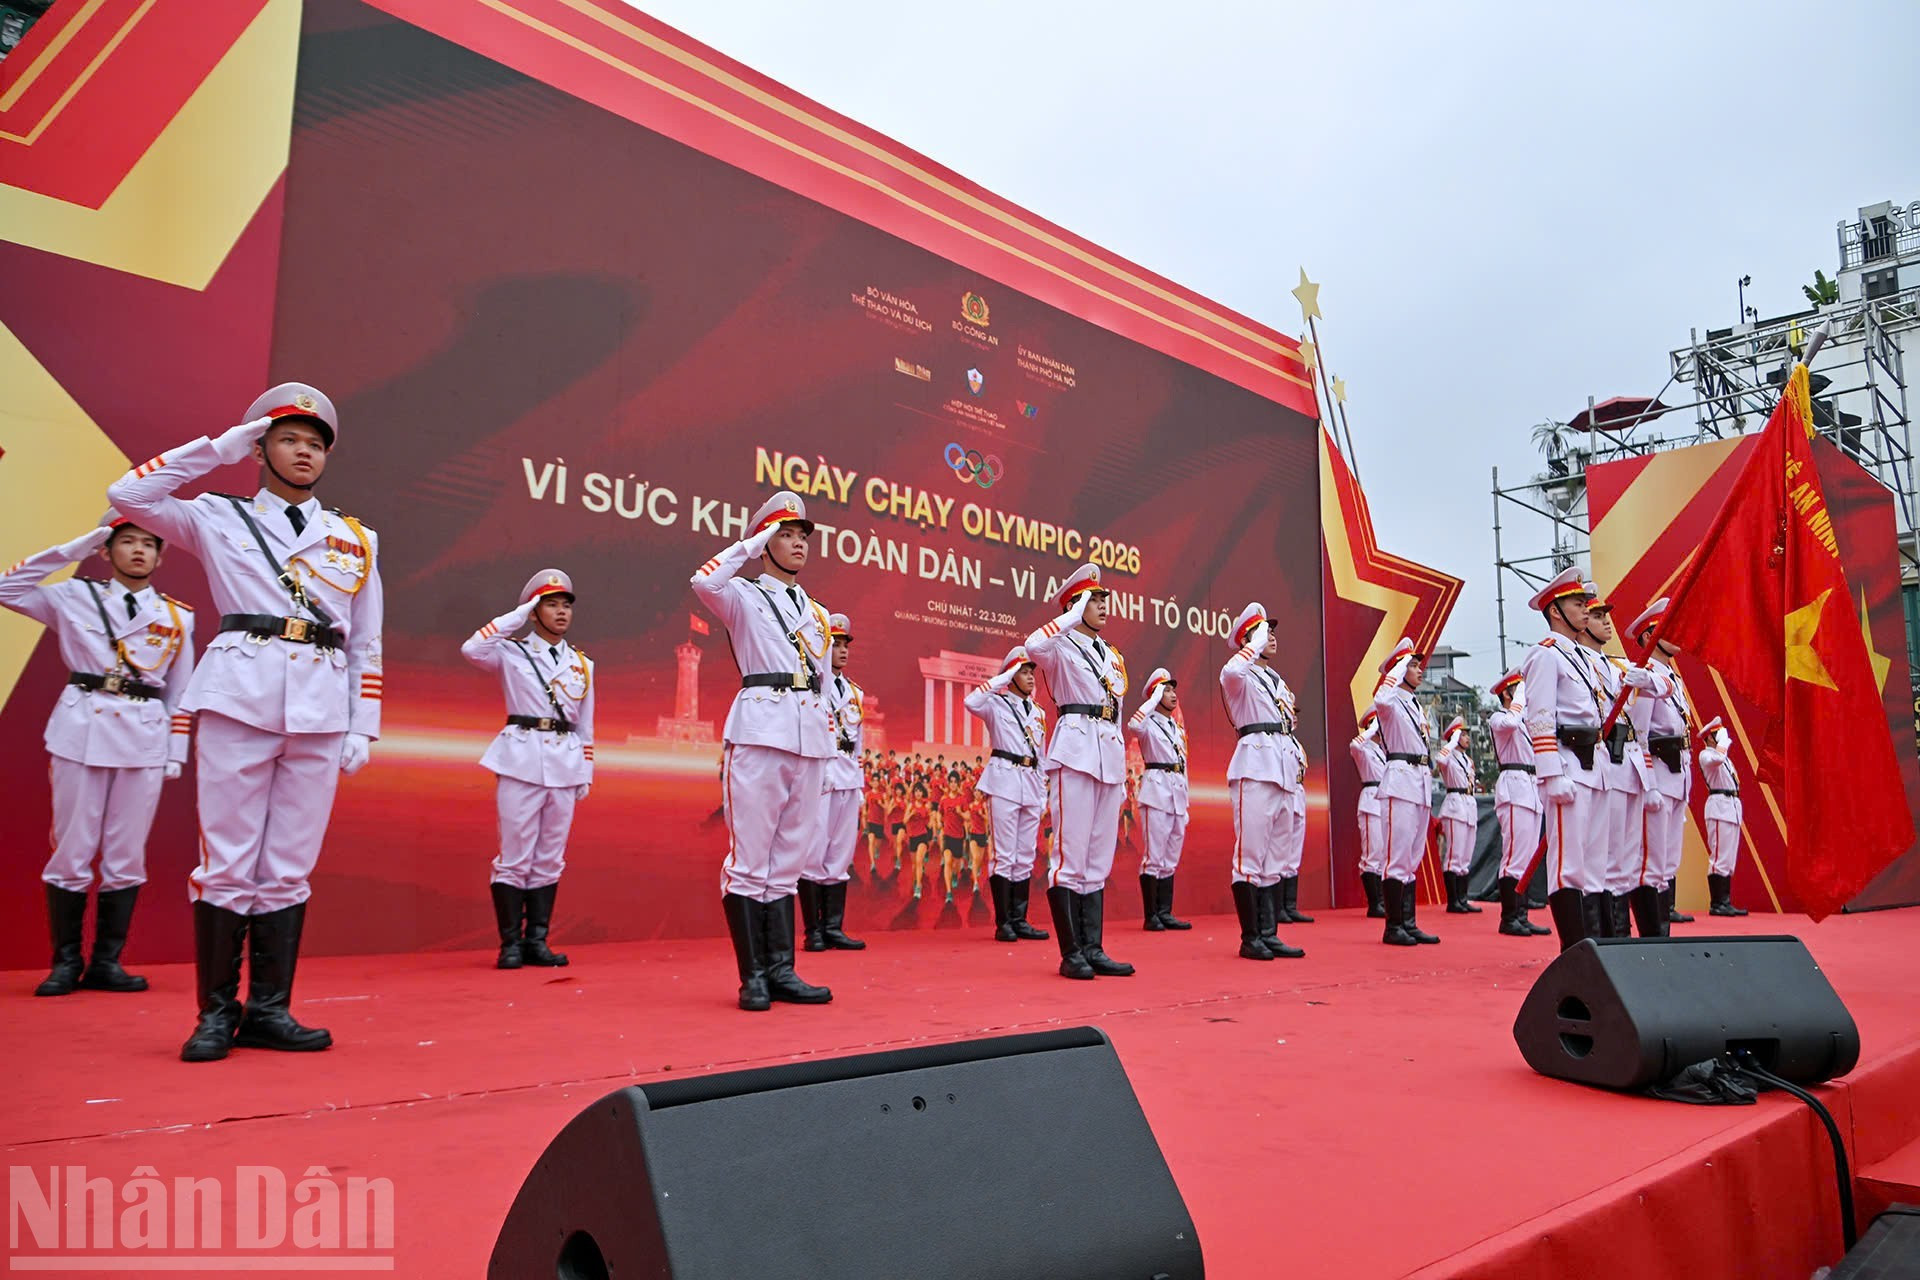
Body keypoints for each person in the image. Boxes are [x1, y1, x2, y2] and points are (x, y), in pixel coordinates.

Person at [107, 384, 383, 1061]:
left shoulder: (356, 539)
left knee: (288, 866)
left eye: (316, 444)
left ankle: (269, 1010)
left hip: (319, 709)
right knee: (227, 862)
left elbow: (365, 642)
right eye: (289, 439)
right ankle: (214, 1013)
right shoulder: (215, 516)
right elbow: (128, 497)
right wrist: (217, 449)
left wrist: (361, 723)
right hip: (239, 695)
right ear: (260, 449)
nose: (303, 453)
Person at [1, 511, 196, 996]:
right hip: (82, 730)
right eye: (126, 542)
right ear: (106, 552)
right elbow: (6, 589)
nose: (137, 551)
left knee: (127, 854)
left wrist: (176, 748)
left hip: (143, 737)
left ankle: (107, 961)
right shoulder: (74, 597)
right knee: (73, 848)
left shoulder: (177, 616)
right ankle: (65, 962)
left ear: (159, 554)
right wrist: (70, 551)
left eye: (148, 544)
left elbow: (182, 688)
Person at [690, 490, 833, 1011]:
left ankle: (781, 969)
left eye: (802, 538)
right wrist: (748, 546)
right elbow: (703, 580)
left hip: (809, 733)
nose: (798, 545)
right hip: (760, 728)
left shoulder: (817, 612)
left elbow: (824, 679)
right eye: (787, 536)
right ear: (765, 542)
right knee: (751, 858)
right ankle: (752, 975)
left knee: (789, 859)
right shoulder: (743, 595)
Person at [461, 569, 594, 970]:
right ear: (535, 612)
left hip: (565, 763)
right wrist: (517, 616)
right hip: (520, 757)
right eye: (551, 605)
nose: (561, 613)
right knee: (515, 855)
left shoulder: (582, 664)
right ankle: (510, 944)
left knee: (550, 856)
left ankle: (537, 940)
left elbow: (586, 723)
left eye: (565, 606)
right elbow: (472, 648)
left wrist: (585, 770)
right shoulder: (512, 652)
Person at [1025, 563, 1133, 979]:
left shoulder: (1113, 656)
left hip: (1107, 748)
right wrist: (1070, 616)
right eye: (1094, 600)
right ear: (1075, 605)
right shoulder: (1060, 646)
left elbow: (1118, 709)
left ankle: (1094, 947)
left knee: (1098, 856)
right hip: (1075, 747)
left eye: (1104, 598)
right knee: (1070, 854)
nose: (1104, 606)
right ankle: (1072, 953)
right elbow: (1033, 646)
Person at [1517, 568, 1609, 950]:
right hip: (1567, 765)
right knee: (1568, 865)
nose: (1586, 610)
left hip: (1595, 765)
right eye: (1577, 604)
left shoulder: (1582, 658)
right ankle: (1574, 950)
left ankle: (1597, 944)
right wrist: (1551, 773)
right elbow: (1539, 715)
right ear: (1556, 611)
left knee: (1594, 865)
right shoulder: (1545, 655)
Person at [1219, 606, 1307, 959]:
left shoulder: (1277, 680)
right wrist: (1251, 646)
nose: (1270, 637)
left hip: (1282, 767)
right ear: (1247, 640)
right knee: (1250, 856)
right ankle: (1250, 936)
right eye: (1261, 632)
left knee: (1276, 857)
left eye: (1271, 632)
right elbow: (1230, 670)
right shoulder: (1240, 675)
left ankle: (1269, 933)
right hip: (1254, 766)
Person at [1578, 588, 1658, 938]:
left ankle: (1622, 936)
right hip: (1600, 765)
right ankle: (1603, 937)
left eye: (1605, 615)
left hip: (1627, 766)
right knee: (1602, 858)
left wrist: (1648, 679)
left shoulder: (1619, 665)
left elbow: (1663, 686)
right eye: (1596, 616)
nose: (1605, 621)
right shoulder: (1575, 662)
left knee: (1626, 859)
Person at [965, 646, 1051, 942]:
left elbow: (1041, 755)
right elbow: (971, 701)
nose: (1030, 678)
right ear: (1011, 676)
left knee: (1025, 855)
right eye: (1024, 672)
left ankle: (1020, 918)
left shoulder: (1038, 714)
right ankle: (1004, 923)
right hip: (1003, 780)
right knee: (1004, 855)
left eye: (1031, 672)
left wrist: (1042, 794)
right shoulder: (996, 704)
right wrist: (1002, 678)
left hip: (1029, 782)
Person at [799, 612, 867, 951]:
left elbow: (860, 742)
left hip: (848, 776)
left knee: (840, 852)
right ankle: (813, 930)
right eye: (835, 644)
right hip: (821, 774)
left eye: (844, 645)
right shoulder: (811, 687)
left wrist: (862, 786)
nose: (841, 651)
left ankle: (833, 927)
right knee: (813, 851)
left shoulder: (856, 693)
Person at [1626, 597, 1695, 929]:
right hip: (1658, 776)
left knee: (1669, 859)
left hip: (1678, 775)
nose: (1678, 634)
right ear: (1649, 635)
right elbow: (1639, 736)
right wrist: (1649, 784)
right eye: (1669, 629)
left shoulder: (1671, 679)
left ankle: (1664, 923)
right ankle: (1654, 932)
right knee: (1651, 861)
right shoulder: (1645, 677)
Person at [1373, 637, 1440, 946]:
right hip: (1399, 779)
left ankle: (1408, 922)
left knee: (1413, 856)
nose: (1419, 670)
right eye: (1412, 665)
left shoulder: (1413, 703)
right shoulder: (1391, 700)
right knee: (1396, 855)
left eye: (1417, 664)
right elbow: (1381, 700)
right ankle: (1393, 925)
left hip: (1420, 779)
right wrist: (1397, 666)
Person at [1127, 667, 1193, 931]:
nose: (1172, 694)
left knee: (1170, 855)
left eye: (1173, 689)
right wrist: (1152, 699)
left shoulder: (1176, 728)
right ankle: (1151, 915)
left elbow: (1183, 763)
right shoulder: (1147, 724)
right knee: (1154, 855)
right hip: (1156, 790)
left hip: (1177, 791)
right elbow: (1133, 724)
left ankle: (1165, 912)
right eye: (1166, 690)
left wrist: (1186, 801)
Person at [1486, 669, 1549, 937]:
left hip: (1531, 787)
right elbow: (1508, 725)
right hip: (1513, 785)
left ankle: (1521, 914)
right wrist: (1520, 695)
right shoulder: (1499, 717)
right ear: (1507, 693)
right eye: (1519, 688)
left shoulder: (1524, 722)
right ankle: (1509, 917)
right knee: (1514, 857)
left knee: (1526, 857)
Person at [1697, 717, 1747, 916]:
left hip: (1731, 806)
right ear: (1710, 738)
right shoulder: (1706, 755)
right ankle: (1717, 903)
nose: (1722, 738)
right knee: (1719, 856)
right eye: (1718, 735)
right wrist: (1724, 742)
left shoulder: (1724, 757)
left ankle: (1725, 901)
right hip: (1719, 806)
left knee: (1728, 857)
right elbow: (1716, 760)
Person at [1435, 717, 1481, 914]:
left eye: (1466, 735)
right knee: (1454, 853)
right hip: (1454, 803)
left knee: (1465, 855)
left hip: (1468, 804)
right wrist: (1451, 741)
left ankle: (1463, 898)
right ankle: (1453, 901)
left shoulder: (1467, 760)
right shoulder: (1449, 757)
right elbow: (1439, 760)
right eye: (1462, 735)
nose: (1467, 738)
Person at [1350, 709, 1388, 918]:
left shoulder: (1382, 752)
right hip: (1370, 799)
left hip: (1383, 799)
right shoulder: (1364, 749)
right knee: (1372, 854)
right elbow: (1354, 745)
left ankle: (1382, 900)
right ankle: (1374, 904)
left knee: (1383, 854)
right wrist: (1372, 727)